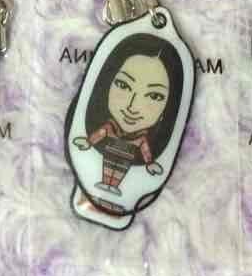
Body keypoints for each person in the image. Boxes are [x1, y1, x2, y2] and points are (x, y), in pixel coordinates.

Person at [72, 33, 183, 197]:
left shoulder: (141, 140)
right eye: (123, 85)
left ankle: (111, 187)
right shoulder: (109, 128)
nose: (133, 106)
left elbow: (145, 150)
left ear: (169, 107)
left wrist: (150, 163)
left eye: (154, 96)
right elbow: (101, 133)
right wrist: (88, 142)